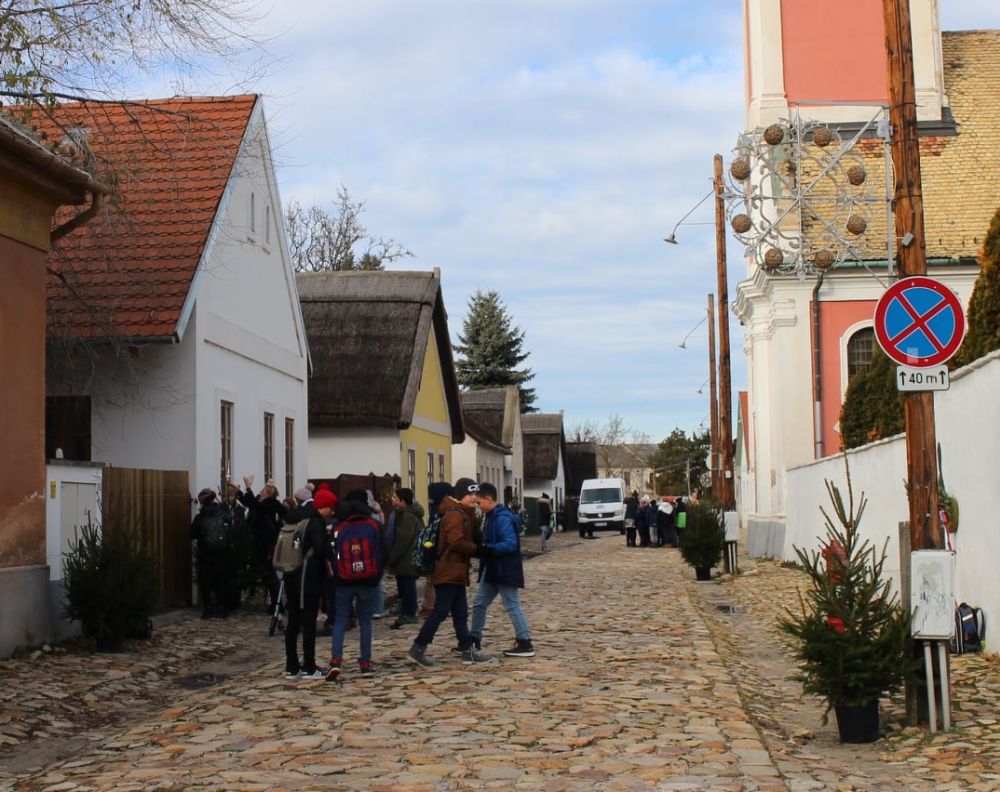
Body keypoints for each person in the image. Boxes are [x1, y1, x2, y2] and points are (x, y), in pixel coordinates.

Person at [407, 478, 493, 667]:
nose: (474, 498)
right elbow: (456, 542)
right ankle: (418, 647)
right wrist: (478, 550)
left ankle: (466, 649)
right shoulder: (455, 514)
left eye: (476, 494)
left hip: (456, 571)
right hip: (448, 569)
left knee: (460, 612)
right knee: (440, 611)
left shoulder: (464, 512)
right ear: (459, 495)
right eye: (470, 494)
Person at [325, 489, 387, 681]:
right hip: (367, 580)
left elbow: (332, 554)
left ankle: (336, 661)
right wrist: (376, 575)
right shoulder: (374, 525)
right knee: (365, 621)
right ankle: (365, 663)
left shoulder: (338, 527)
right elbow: (384, 552)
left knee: (341, 619)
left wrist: (336, 573)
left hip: (343, 581)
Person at [469, 483, 535, 657]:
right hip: (493, 569)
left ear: (489, 499)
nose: (477, 505)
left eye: (479, 502)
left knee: (512, 604)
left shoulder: (501, 518)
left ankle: (525, 641)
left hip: (504, 569)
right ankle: (473, 639)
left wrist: (489, 548)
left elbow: (510, 544)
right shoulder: (491, 516)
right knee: (479, 604)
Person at [282, 484, 332, 680]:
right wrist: (328, 543)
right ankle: (309, 667)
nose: (332, 511)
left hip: (291, 574)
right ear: (324, 506)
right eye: (331, 507)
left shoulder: (296, 516)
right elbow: (320, 550)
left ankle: (291, 666)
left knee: (293, 621)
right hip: (307, 579)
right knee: (308, 622)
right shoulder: (315, 522)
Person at [236, 475, 287, 611]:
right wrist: (239, 491)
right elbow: (250, 502)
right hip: (262, 543)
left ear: (268, 493)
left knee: (270, 575)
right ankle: (276, 605)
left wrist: (248, 487)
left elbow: (254, 503)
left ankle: (278, 606)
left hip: (267, 544)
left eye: (263, 490)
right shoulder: (266, 504)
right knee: (267, 574)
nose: (261, 492)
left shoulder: (271, 504)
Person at [190, 487, 231, 619]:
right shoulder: (222, 514)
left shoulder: (200, 517)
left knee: (206, 580)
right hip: (222, 552)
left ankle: (208, 609)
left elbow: (192, 534)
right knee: (220, 580)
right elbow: (231, 532)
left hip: (205, 552)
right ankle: (222, 608)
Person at [387, 488, 424, 630]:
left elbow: (403, 539)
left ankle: (409, 614)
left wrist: (393, 557)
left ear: (403, 501)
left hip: (407, 558)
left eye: (395, 498)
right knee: (406, 586)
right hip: (408, 557)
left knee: (407, 587)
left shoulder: (408, 516)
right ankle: (407, 613)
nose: (393, 499)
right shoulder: (408, 514)